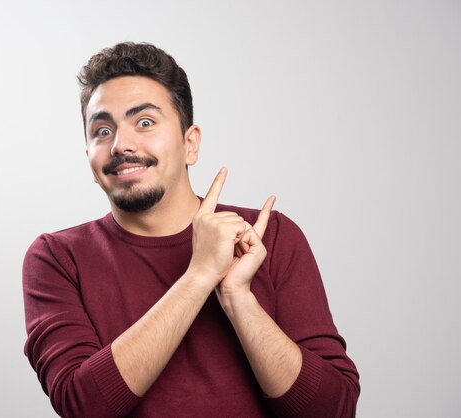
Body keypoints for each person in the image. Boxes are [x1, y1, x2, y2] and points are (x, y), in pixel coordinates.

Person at [23, 42, 360, 418]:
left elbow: (333, 410)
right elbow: (83, 406)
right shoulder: (56, 258)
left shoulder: (268, 236)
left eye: (145, 123)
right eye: (102, 130)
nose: (121, 144)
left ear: (190, 143)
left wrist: (238, 297)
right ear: (88, 154)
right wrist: (199, 275)